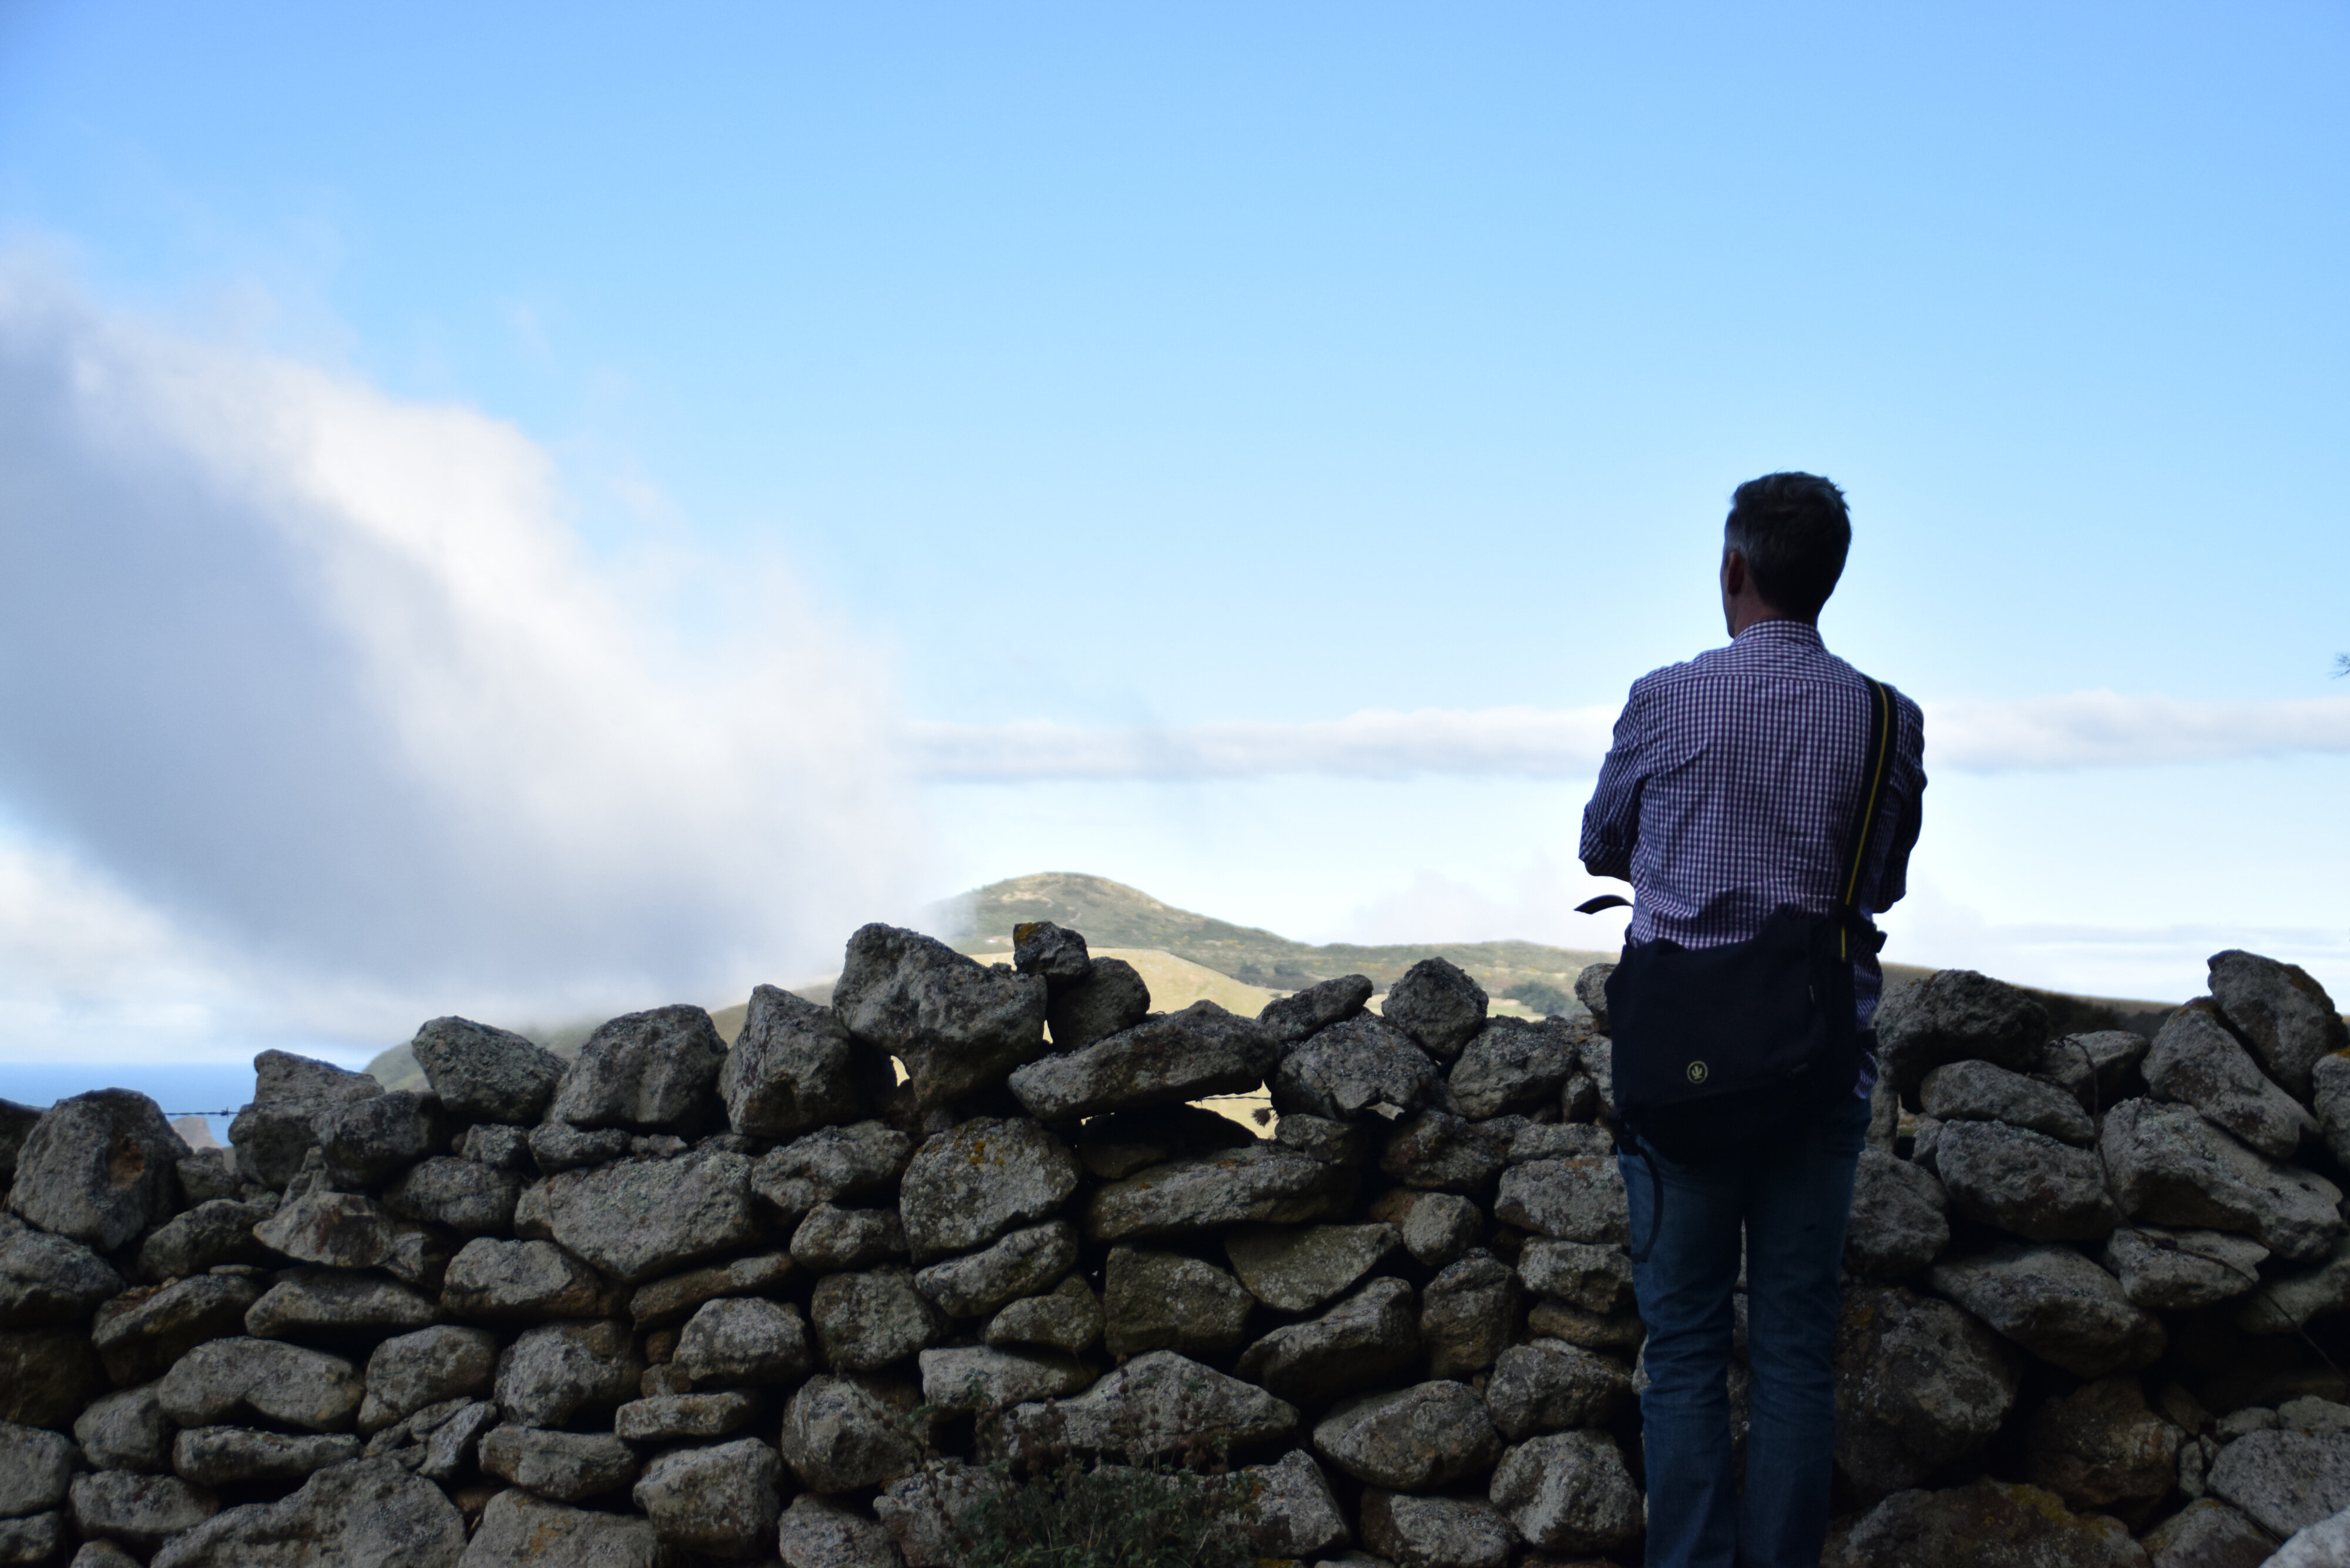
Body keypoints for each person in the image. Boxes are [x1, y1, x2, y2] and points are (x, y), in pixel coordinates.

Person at [1578, 471, 1926, 1568]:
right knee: (1794, 1349)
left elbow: (1601, 844)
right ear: (1829, 580)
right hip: (1818, 1059)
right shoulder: (1885, 719)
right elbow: (1884, 879)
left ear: (1734, 569)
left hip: (1679, 1060)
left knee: (1680, 1347)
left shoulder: (1663, 698)